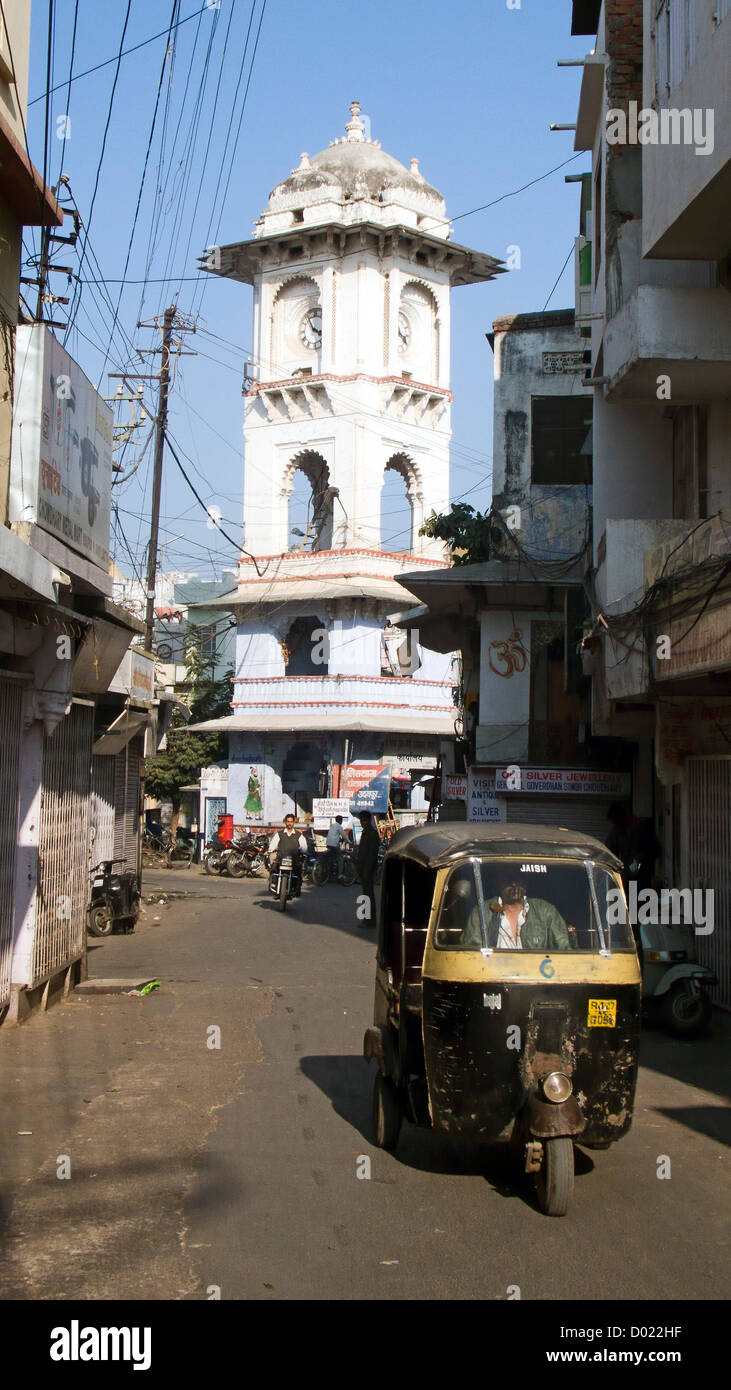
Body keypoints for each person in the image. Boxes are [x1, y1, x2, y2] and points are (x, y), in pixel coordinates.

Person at [455, 871, 572, 951]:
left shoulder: (546, 911)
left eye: (519, 878)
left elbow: (564, 950)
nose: (514, 884)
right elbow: (471, 954)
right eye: (509, 878)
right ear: (499, 881)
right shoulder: (481, 912)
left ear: (526, 881)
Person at [355, 810, 380, 927]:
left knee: (368, 896)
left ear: (368, 820)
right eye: (361, 820)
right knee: (366, 895)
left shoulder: (372, 834)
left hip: (368, 870)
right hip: (364, 869)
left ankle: (369, 920)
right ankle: (366, 919)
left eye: (364, 820)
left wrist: (366, 871)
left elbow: (371, 855)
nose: (362, 822)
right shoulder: (366, 832)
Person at [325, 815, 346, 880]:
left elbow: (334, 835)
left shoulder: (332, 826)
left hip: (328, 844)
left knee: (332, 857)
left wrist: (339, 839)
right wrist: (349, 841)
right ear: (340, 821)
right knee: (340, 858)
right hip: (334, 845)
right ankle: (339, 874)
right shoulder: (339, 826)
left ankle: (331, 872)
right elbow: (344, 836)